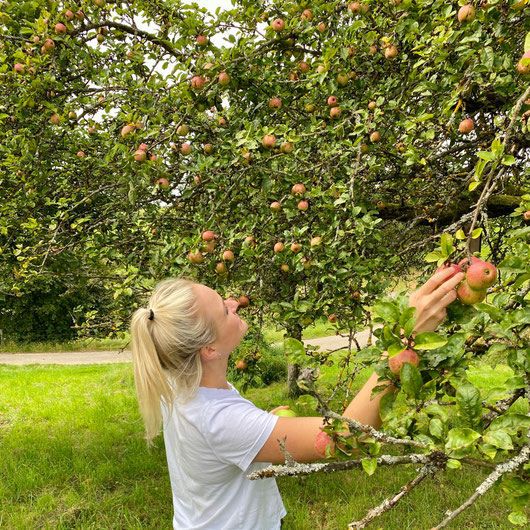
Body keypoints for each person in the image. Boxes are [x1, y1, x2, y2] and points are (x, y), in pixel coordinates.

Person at [130, 267, 463, 530]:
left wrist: (264, 428)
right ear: (209, 349)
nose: (234, 303)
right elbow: (346, 436)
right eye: (223, 309)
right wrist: (405, 338)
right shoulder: (220, 419)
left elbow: (219, 436)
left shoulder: (180, 379)